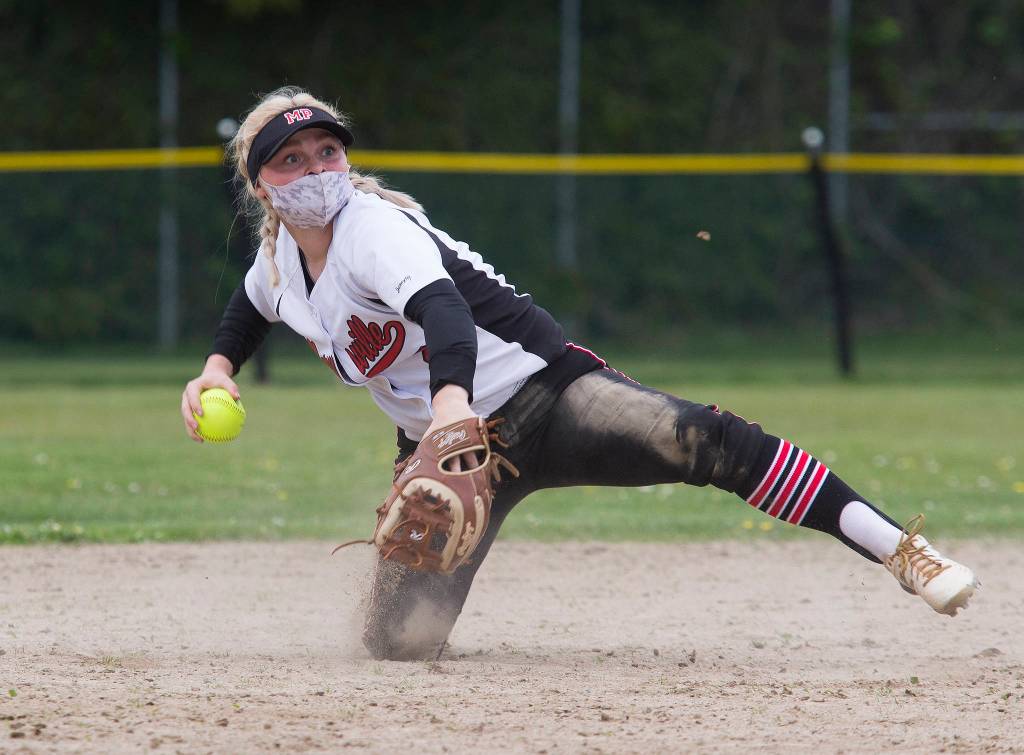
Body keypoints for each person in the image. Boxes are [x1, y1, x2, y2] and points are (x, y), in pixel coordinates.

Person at [181, 87, 978, 661]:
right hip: (453, 458)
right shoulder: (281, 258)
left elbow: (444, 312)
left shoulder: (369, 231)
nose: (320, 166)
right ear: (263, 188)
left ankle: (903, 551)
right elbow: (250, 308)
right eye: (293, 158)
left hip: (543, 392)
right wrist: (217, 368)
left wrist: (452, 402)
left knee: (707, 441)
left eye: (329, 148)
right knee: (396, 642)